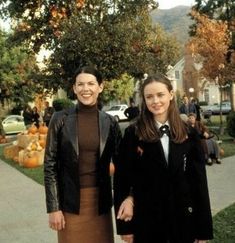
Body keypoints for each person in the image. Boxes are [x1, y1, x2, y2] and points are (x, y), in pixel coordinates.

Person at [114, 74, 213, 243]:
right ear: (144, 100)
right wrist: (125, 227)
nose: (155, 101)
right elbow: (122, 180)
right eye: (149, 97)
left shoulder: (188, 132)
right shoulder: (133, 133)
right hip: (147, 222)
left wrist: (203, 229)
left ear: (171, 95)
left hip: (183, 220)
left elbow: (199, 182)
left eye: (160, 95)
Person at [44, 66, 122, 243]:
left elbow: (123, 167)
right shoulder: (59, 119)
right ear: (74, 88)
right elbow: (50, 166)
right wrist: (53, 208)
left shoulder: (110, 122)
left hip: (100, 204)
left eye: (91, 83)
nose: (85, 89)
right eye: (80, 84)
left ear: (100, 87)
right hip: (70, 203)